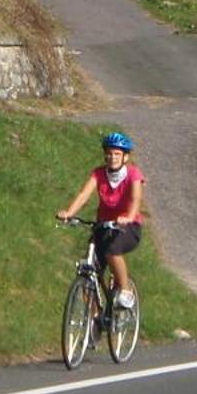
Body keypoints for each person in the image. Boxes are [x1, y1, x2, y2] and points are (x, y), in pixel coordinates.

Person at [56, 131, 144, 308]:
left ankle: (126, 291)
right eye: (109, 153)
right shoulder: (98, 174)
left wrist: (128, 217)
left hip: (128, 227)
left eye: (117, 154)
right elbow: (83, 195)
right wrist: (69, 212)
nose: (112, 157)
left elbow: (135, 199)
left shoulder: (133, 174)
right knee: (88, 270)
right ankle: (95, 320)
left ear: (125, 157)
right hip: (103, 226)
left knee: (112, 250)